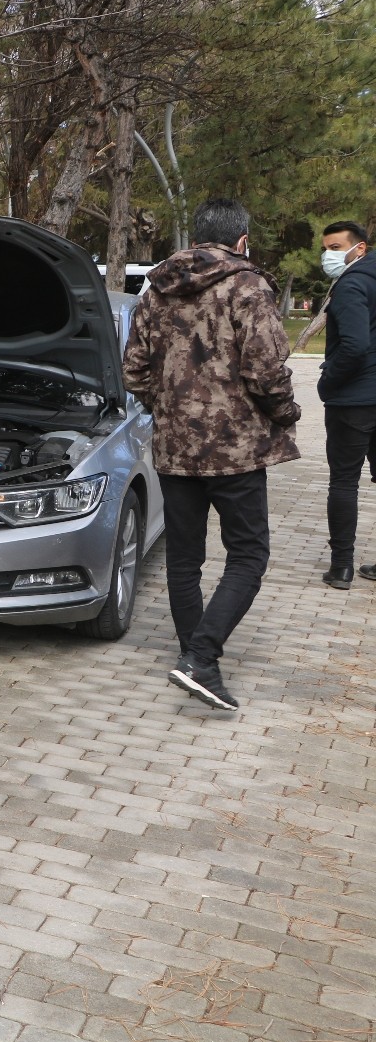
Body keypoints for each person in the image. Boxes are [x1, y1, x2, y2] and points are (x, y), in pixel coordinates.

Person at [123, 198, 301, 711]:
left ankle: (191, 655)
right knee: (248, 555)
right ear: (241, 239)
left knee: (185, 558)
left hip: (176, 448)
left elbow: (134, 370)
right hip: (236, 452)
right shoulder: (248, 285)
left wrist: (170, 409)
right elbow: (266, 370)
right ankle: (201, 658)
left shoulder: (156, 291)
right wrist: (286, 414)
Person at [316, 220, 376, 586]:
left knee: (344, 482)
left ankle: (342, 566)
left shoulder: (351, 284)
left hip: (353, 401)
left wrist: (327, 382)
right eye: (326, 248)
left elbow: (355, 345)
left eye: (336, 247)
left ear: (360, 248)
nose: (328, 255)